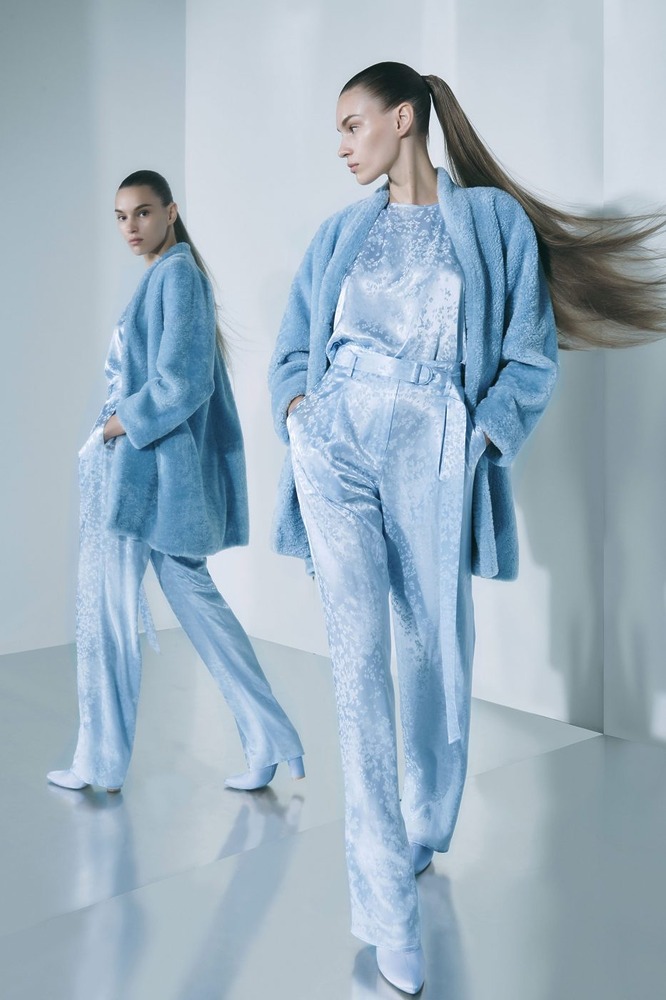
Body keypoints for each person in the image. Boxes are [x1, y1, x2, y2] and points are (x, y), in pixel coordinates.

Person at [269, 62, 666, 994]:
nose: (341, 144)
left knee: (433, 648)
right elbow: (294, 343)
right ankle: (386, 911)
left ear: (403, 119)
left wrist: (482, 435)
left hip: (434, 441)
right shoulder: (339, 232)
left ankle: (425, 822)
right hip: (335, 440)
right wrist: (297, 410)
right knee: (357, 666)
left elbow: (529, 355)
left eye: (352, 123)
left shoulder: (490, 224)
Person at [48, 170, 304, 796]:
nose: (130, 227)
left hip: (144, 473)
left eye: (142, 212)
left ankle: (99, 762)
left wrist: (116, 424)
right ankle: (269, 736)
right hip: (153, 472)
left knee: (110, 616)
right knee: (193, 605)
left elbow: (183, 383)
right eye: (120, 216)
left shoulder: (177, 276)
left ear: (170, 211)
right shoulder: (167, 276)